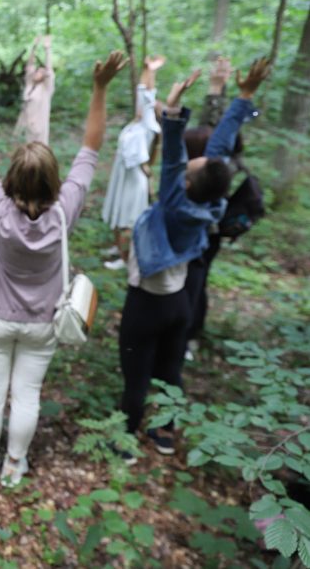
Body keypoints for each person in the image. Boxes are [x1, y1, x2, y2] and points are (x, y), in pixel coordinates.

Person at [0, 47, 127, 487]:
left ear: (10, 179)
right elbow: (91, 146)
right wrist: (100, 87)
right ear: (54, 182)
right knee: (26, 393)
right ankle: (15, 466)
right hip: (43, 322)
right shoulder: (65, 210)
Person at [116, 57, 270, 463]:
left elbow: (171, 157)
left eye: (190, 165)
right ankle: (165, 434)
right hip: (181, 302)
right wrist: (244, 96)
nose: (195, 159)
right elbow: (218, 147)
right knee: (170, 370)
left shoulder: (173, 202)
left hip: (148, 302)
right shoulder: (213, 201)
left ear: (185, 181)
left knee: (136, 375)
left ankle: (125, 442)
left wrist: (171, 108)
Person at [182, 57, 263, 359]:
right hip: (211, 229)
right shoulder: (219, 164)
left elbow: (216, 136)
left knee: (194, 282)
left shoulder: (215, 171)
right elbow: (218, 131)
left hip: (207, 233)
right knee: (196, 281)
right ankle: (187, 336)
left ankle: (188, 337)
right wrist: (220, 91)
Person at [100, 55, 165, 270]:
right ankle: (116, 247)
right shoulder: (138, 122)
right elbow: (142, 93)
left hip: (134, 177)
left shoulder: (149, 125)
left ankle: (126, 258)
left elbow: (147, 95)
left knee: (129, 216)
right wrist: (148, 69)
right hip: (124, 173)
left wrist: (153, 72)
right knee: (118, 208)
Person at [13, 35, 55, 146]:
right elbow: (30, 65)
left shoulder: (46, 89)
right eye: (37, 71)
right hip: (27, 126)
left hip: (40, 128)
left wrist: (47, 49)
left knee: (40, 152)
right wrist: (34, 47)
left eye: (41, 72)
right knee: (28, 151)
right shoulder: (29, 85)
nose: (37, 72)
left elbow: (49, 70)